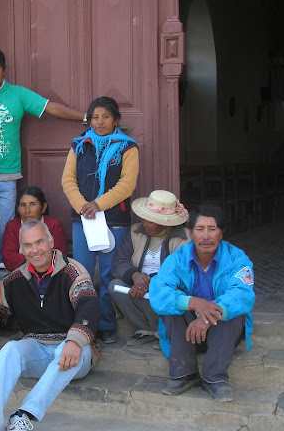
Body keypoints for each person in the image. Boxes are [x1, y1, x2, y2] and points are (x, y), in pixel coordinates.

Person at [0, 220, 100, 431]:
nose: (35, 250)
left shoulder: (73, 270)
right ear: (21, 249)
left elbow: (88, 306)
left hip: (75, 351)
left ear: (51, 242)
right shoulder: (14, 280)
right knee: (11, 349)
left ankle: (23, 417)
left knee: (66, 351)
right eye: (28, 245)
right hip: (36, 349)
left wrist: (75, 340)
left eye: (40, 242)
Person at [0, 48, 85, 272]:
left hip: (6, 179)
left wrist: (85, 117)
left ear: (4, 71)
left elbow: (50, 107)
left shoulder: (17, 94)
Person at [149, 203, 255, 402]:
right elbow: (157, 292)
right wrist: (194, 303)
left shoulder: (237, 258)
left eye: (212, 229)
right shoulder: (178, 258)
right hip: (186, 335)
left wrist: (207, 316)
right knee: (172, 307)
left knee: (232, 310)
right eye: (199, 229)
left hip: (222, 333)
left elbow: (242, 294)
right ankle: (184, 373)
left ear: (221, 233)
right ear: (190, 232)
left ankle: (214, 379)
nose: (206, 236)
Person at [61, 96, 139, 344]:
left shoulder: (128, 147)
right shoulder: (79, 145)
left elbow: (127, 184)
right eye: (95, 117)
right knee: (81, 272)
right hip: (83, 219)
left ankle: (106, 324)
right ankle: (82, 323)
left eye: (106, 117)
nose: (100, 121)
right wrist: (83, 206)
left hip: (113, 218)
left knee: (107, 274)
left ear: (116, 119)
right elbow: (68, 180)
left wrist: (98, 205)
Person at [108, 190, 190, 347]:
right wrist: (135, 276)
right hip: (138, 284)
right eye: (144, 219)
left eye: (150, 221)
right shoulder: (135, 231)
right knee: (115, 286)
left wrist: (150, 282)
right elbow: (120, 261)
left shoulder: (184, 238)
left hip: (165, 286)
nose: (144, 224)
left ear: (164, 223)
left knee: (162, 292)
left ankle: (162, 332)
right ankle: (144, 329)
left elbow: (181, 272)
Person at [1, 186, 67, 272]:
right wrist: (40, 258)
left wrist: (30, 257)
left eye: (33, 204)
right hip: (20, 274)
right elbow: (9, 259)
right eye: (23, 205)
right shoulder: (12, 226)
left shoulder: (54, 225)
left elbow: (59, 256)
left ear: (43, 207)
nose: (27, 210)